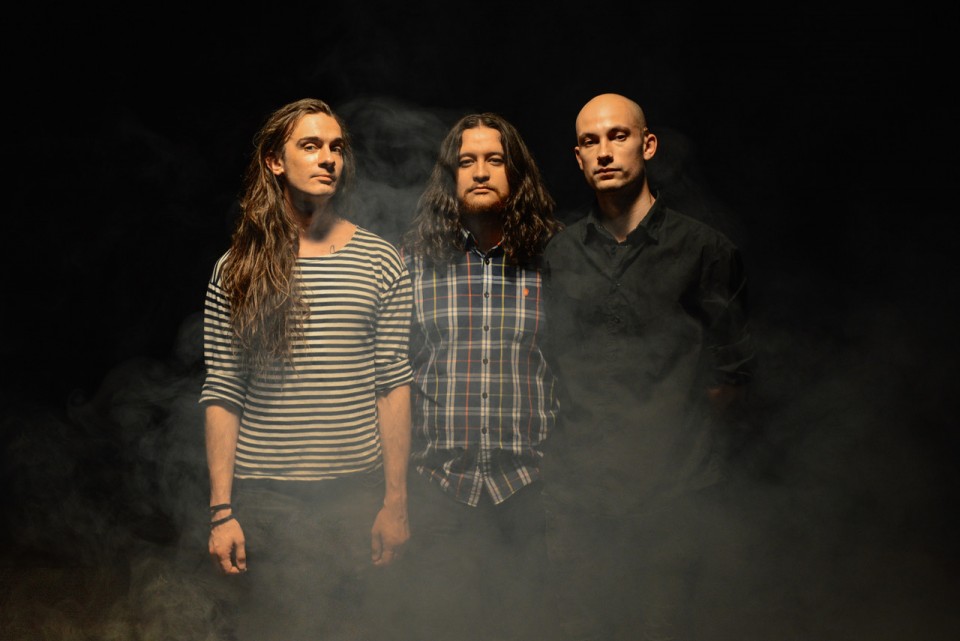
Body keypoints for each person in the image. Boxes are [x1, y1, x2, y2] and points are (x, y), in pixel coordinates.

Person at [541, 93, 757, 640]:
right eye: (590, 141)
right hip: (578, 496)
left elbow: (731, 376)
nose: (605, 151)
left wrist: (670, 441)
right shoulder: (558, 255)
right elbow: (550, 363)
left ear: (648, 144)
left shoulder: (705, 250)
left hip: (673, 496)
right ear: (578, 158)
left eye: (618, 136)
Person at [199, 97, 413, 641]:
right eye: (311, 145)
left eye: (336, 147)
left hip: (355, 496)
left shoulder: (381, 260)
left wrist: (395, 503)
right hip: (267, 500)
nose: (328, 158)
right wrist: (222, 513)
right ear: (276, 161)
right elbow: (224, 391)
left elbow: (393, 385)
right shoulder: (237, 267)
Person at [394, 112, 562, 641]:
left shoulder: (555, 259)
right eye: (467, 161)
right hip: (439, 490)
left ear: (517, 172)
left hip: (530, 491)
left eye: (495, 160)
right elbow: (391, 379)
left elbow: (579, 368)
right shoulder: (413, 262)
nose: (481, 172)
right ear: (451, 175)